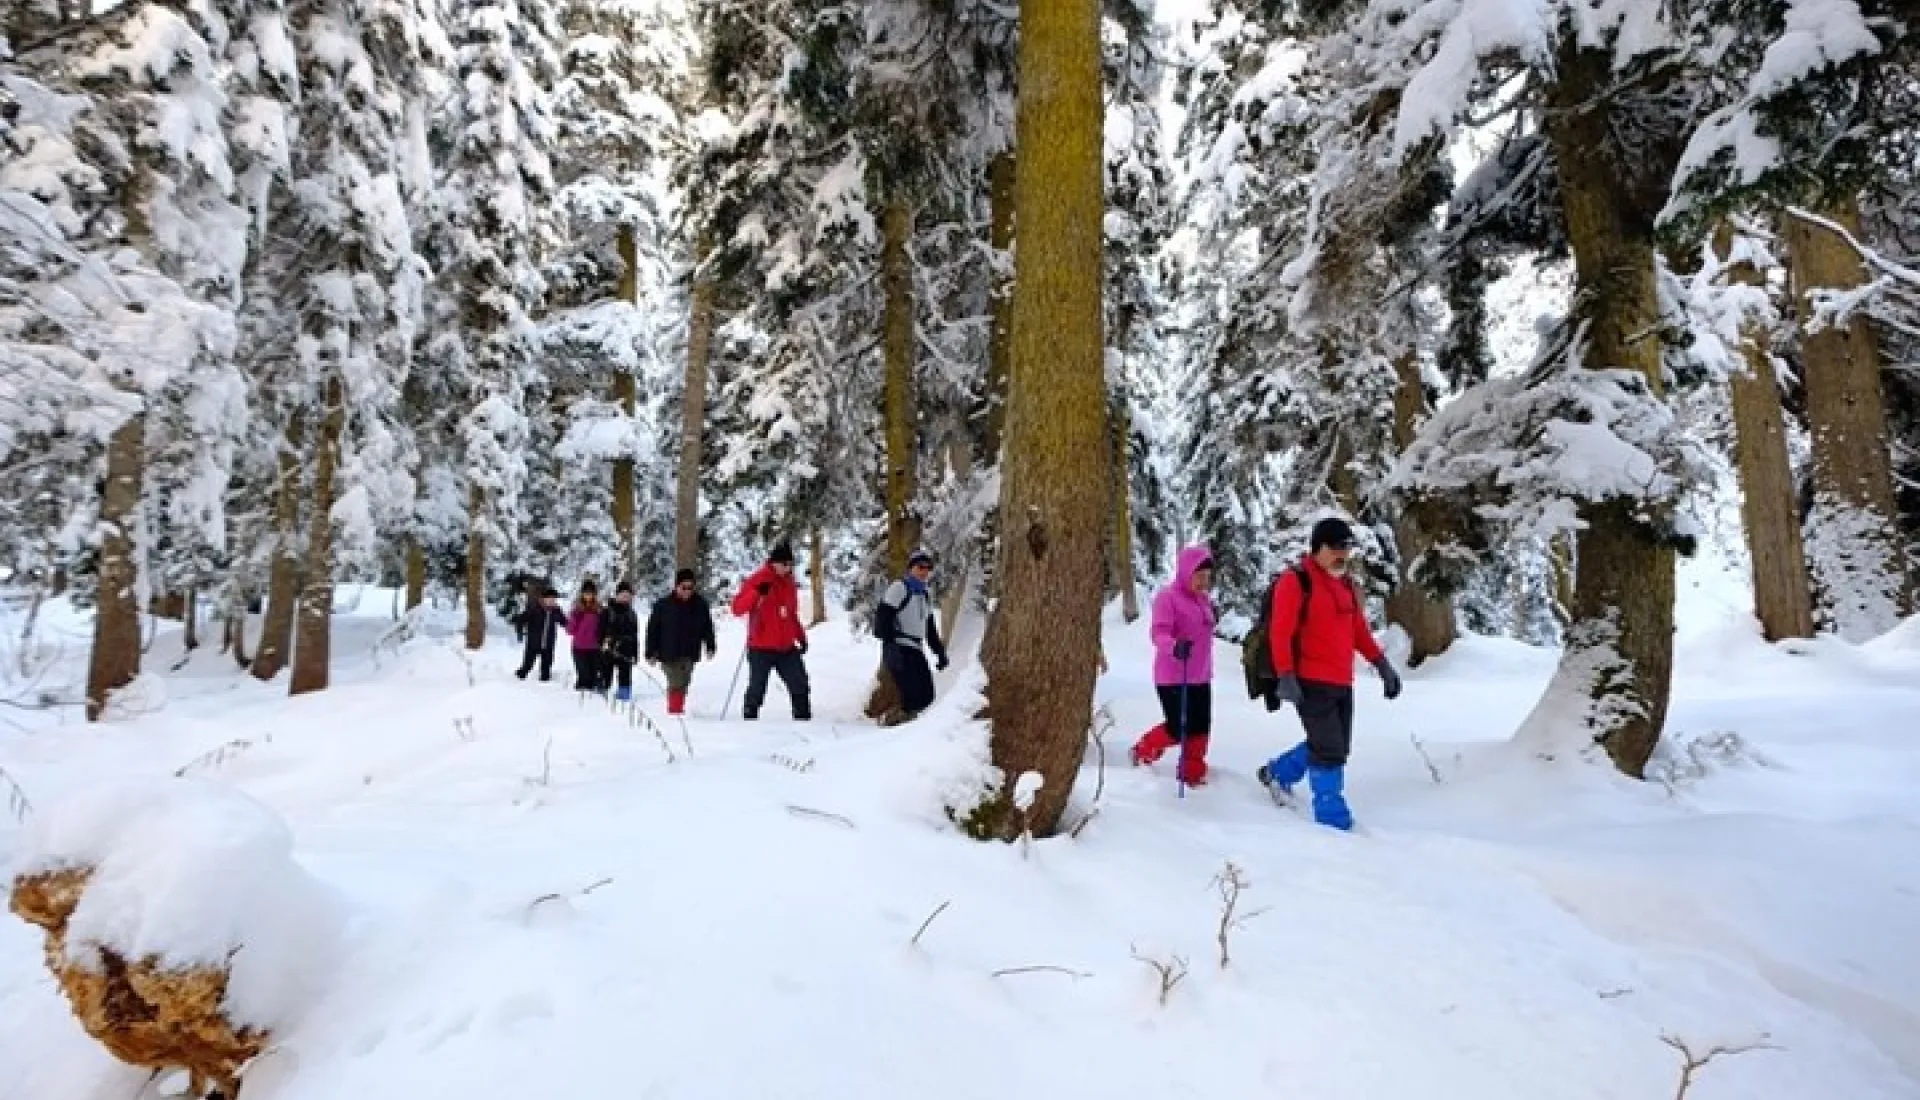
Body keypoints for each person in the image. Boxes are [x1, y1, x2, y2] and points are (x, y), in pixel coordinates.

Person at [1256, 517, 1403, 830]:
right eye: (1336, 548)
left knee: (1333, 745)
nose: (1343, 555)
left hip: (1341, 680)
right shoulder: (1295, 581)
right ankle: (1332, 820)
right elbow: (1280, 633)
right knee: (1329, 750)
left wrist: (1381, 664)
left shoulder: (1345, 584)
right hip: (1308, 679)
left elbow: (1358, 630)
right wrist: (1285, 675)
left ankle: (1277, 773)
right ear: (1318, 548)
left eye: (1347, 548)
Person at [1130, 546, 1217, 786]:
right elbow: (1158, 633)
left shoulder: (1203, 600)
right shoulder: (1167, 597)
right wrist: (1174, 646)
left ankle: (1192, 771)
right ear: (1185, 572)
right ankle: (1144, 748)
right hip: (1173, 675)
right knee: (1179, 726)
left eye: (1207, 577)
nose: (1203, 582)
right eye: (1199, 576)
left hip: (1200, 675)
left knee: (1200, 726)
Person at [728, 540, 811, 721]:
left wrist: (800, 636)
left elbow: (790, 614)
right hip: (760, 646)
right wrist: (756, 593)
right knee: (757, 688)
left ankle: (803, 720)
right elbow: (737, 608)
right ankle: (750, 720)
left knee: (800, 684)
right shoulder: (758, 579)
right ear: (773, 563)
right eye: (784, 564)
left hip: (786, 646)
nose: (787, 568)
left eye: (790, 564)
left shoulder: (789, 583)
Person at [874, 549, 950, 723]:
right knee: (913, 696)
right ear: (910, 568)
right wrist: (890, 645)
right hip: (899, 647)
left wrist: (939, 652)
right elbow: (882, 617)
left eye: (927, 568)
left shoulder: (924, 594)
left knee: (928, 695)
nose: (924, 571)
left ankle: (908, 729)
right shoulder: (899, 587)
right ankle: (895, 729)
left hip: (916, 648)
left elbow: (929, 627)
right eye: (920, 566)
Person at [646, 568, 717, 715]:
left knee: (684, 682)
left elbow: (707, 627)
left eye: (690, 587)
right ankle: (675, 711)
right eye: (683, 587)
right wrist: (650, 652)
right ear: (676, 586)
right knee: (676, 682)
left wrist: (710, 646)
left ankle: (678, 706)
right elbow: (652, 630)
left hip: (689, 651)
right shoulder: (663, 605)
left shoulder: (700, 605)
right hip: (668, 652)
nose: (687, 591)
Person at [601, 581, 642, 702]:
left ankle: (624, 697)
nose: (626, 598)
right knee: (605, 675)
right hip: (609, 650)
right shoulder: (607, 611)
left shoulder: (632, 614)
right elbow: (599, 632)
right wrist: (602, 645)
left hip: (626, 651)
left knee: (625, 675)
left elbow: (635, 635)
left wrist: (635, 654)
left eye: (628, 595)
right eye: (623, 595)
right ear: (617, 595)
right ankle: (601, 698)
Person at [515, 587, 566, 681]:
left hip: (548, 644)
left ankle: (544, 685)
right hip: (533, 642)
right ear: (544, 599)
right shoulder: (535, 608)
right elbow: (521, 619)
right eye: (549, 599)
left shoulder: (556, 610)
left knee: (546, 668)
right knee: (527, 666)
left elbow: (564, 622)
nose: (552, 601)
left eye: (554, 599)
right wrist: (519, 631)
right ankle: (517, 680)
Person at [565, 580, 606, 693]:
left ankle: (595, 696)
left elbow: (604, 627)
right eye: (586, 593)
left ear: (594, 594)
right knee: (584, 676)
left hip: (594, 647)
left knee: (594, 676)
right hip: (579, 647)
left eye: (591, 593)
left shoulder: (599, 609)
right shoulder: (577, 609)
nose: (588, 595)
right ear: (582, 594)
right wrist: (574, 619)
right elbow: (569, 630)